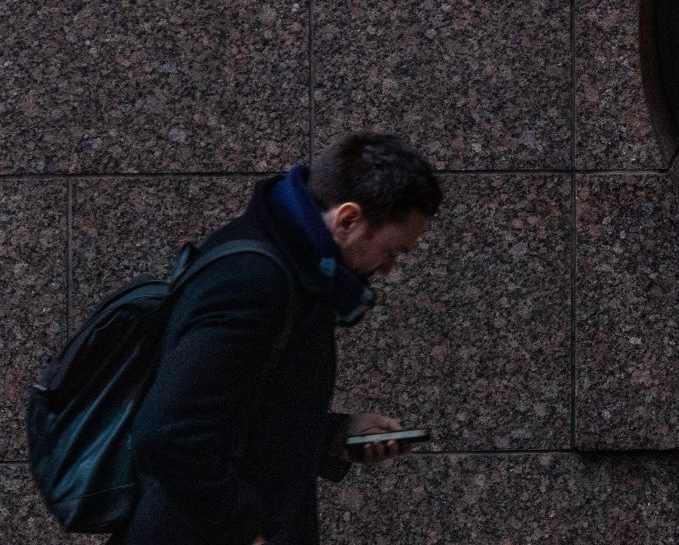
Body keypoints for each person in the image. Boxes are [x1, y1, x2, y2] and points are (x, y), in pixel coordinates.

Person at [110, 132, 444, 545]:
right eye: (393, 251)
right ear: (347, 220)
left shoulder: (292, 268)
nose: (389, 268)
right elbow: (167, 433)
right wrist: (247, 530)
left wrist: (334, 435)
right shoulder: (258, 280)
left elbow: (241, 415)